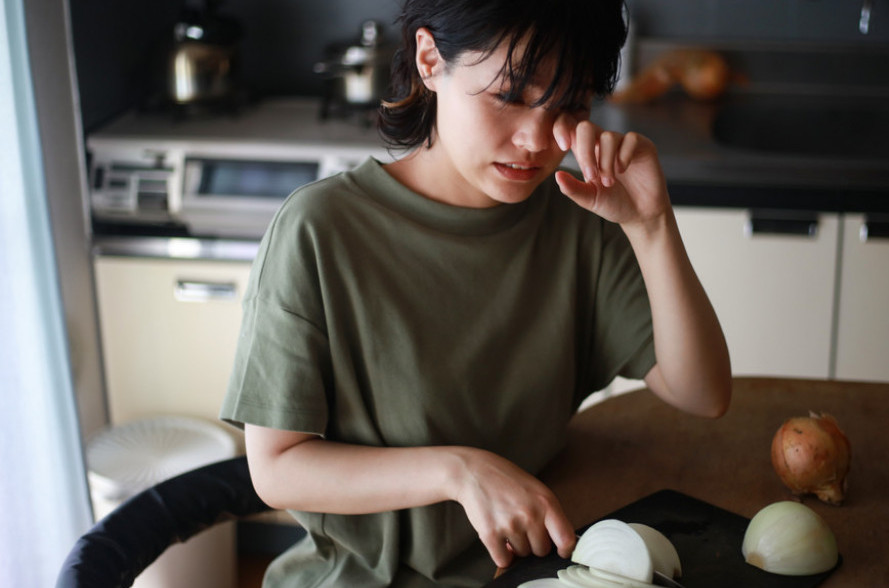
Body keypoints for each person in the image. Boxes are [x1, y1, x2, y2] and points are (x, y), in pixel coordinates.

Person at [220, 0, 731, 586]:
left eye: (568, 104)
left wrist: (651, 223)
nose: (537, 140)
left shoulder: (577, 219)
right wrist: (459, 472)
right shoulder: (318, 230)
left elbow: (703, 392)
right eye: (509, 96)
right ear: (430, 59)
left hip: (532, 573)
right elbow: (277, 468)